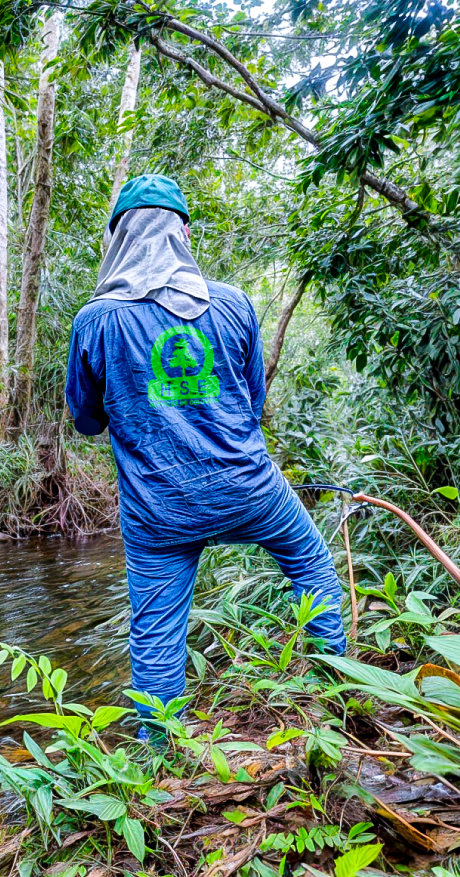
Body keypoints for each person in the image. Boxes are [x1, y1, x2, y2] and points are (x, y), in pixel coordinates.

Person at [65, 174, 346, 730]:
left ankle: (157, 756)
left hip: (158, 510)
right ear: (184, 234)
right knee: (310, 562)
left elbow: (87, 421)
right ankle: (337, 697)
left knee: (155, 632)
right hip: (251, 489)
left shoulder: (94, 321)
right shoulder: (235, 304)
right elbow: (253, 403)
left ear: (117, 238)